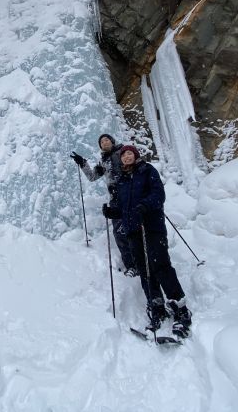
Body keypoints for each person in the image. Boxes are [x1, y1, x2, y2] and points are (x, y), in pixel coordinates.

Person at [103, 145, 192, 338]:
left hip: (151, 226)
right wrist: (112, 212)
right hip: (133, 230)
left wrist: (145, 205)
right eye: (123, 155)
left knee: (160, 265)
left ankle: (180, 308)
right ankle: (156, 305)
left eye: (129, 154)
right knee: (144, 269)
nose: (126, 157)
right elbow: (124, 208)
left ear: (135, 156)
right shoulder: (123, 180)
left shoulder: (147, 171)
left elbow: (159, 195)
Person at [71, 134, 138, 276]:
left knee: (135, 229)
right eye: (101, 141)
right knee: (119, 233)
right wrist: (83, 163)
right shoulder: (104, 161)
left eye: (107, 139)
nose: (104, 142)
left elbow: (134, 168)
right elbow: (92, 177)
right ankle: (131, 265)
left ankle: (143, 261)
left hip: (130, 196)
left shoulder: (123, 152)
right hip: (115, 200)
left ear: (112, 141)